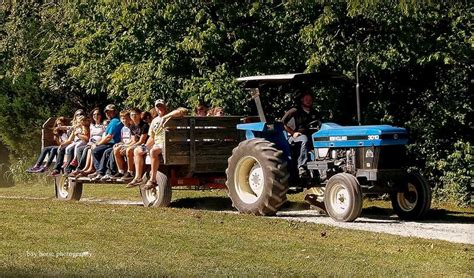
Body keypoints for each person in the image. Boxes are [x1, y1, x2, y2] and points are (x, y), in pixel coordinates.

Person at [127, 99, 167, 187]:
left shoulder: (170, 117)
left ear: (165, 107)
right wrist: (145, 147)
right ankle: (138, 177)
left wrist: (165, 117)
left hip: (166, 144)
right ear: (155, 108)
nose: (159, 108)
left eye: (161, 106)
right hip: (157, 143)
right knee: (137, 150)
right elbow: (152, 137)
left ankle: (152, 179)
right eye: (158, 106)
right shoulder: (154, 121)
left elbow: (182, 111)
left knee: (153, 151)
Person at [281, 91, 320, 177]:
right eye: (306, 99)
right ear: (302, 100)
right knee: (304, 139)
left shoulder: (314, 112)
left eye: (310, 99)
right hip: (297, 137)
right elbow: (282, 123)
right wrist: (293, 133)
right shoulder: (295, 111)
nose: (309, 101)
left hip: (312, 136)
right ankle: (302, 166)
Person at [88, 104, 123, 180]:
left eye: (110, 112)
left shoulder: (115, 121)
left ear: (115, 112)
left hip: (113, 143)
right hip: (109, 143)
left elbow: (109, 137)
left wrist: (97, 144)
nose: (108, 114)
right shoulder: (111, 121)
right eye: (107, 112)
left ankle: (100, 172)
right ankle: (100, 171)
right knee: (92, 150)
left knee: (97, 151)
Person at [113, 108, 149, 181]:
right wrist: (124, 145)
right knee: (117, 149)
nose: (133, 116)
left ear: (139, 115)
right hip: (137, 144)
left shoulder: (144, 125)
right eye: (132, 115)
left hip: (145, 145)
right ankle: (121, 171)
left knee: (129, 150)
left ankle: (130, 172)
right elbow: (133, 140)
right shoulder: (132, 126)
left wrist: (129, 147)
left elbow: (142, 141)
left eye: (135, 115)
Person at [69, 107, 106, 177]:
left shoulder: (103, 125)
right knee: (81, 149)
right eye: (94, 114)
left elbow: (103, 136)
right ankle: (84, 168)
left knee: (88, 150)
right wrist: (90, 142)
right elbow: (91, 136)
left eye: (98, 114)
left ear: (101, 116)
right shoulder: (92, 125)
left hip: (98, 143)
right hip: (91, 143)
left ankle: (86, 168)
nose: (96, 116)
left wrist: (95, 143)